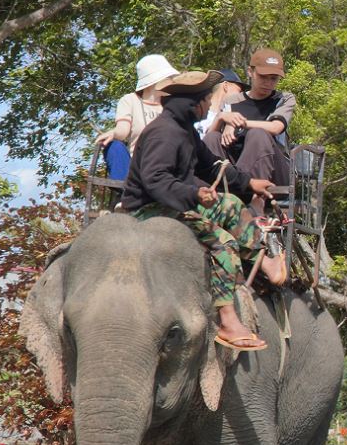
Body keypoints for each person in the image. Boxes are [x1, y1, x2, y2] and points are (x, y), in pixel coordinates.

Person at [122, 70, 286, 351]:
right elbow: (155, 180)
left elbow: (210, 165)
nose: (211, 105)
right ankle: (227, 320)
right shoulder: (164, 133)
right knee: (222, 244)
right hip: (150, 211)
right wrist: (194, 194)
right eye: (206, 100)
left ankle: (264, 260)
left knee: (232, 205)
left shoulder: (184, 131)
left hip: (175, 203)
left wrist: (249, 183)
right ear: (192, 104)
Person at [203, 48, 296, 215]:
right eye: (263, 77)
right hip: (237, 171)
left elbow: (276, 127)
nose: (268, 83)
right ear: (250, 72)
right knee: (212, 138)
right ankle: (209, 196)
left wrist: (238, 122)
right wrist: (222, 118)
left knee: (258, 134)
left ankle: (256, 203)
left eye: (273, 78)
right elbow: (208, 140)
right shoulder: (232, 101)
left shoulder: (283, 99)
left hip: (274, 172)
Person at [96, 54, 177, 180]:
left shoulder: (174, 104)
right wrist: (114, 133)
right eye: (169, 78)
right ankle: (127, 187)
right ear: (154, 80)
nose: (172, 81)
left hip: (166, 166)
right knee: (114, 146)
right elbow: (123, 130)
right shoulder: (130, 100)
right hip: (137, 168)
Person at [197, 68, 248, 137]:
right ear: (225, 86)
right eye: (239, 90)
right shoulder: (196, 111)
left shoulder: (231, 115)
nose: (241, 95)